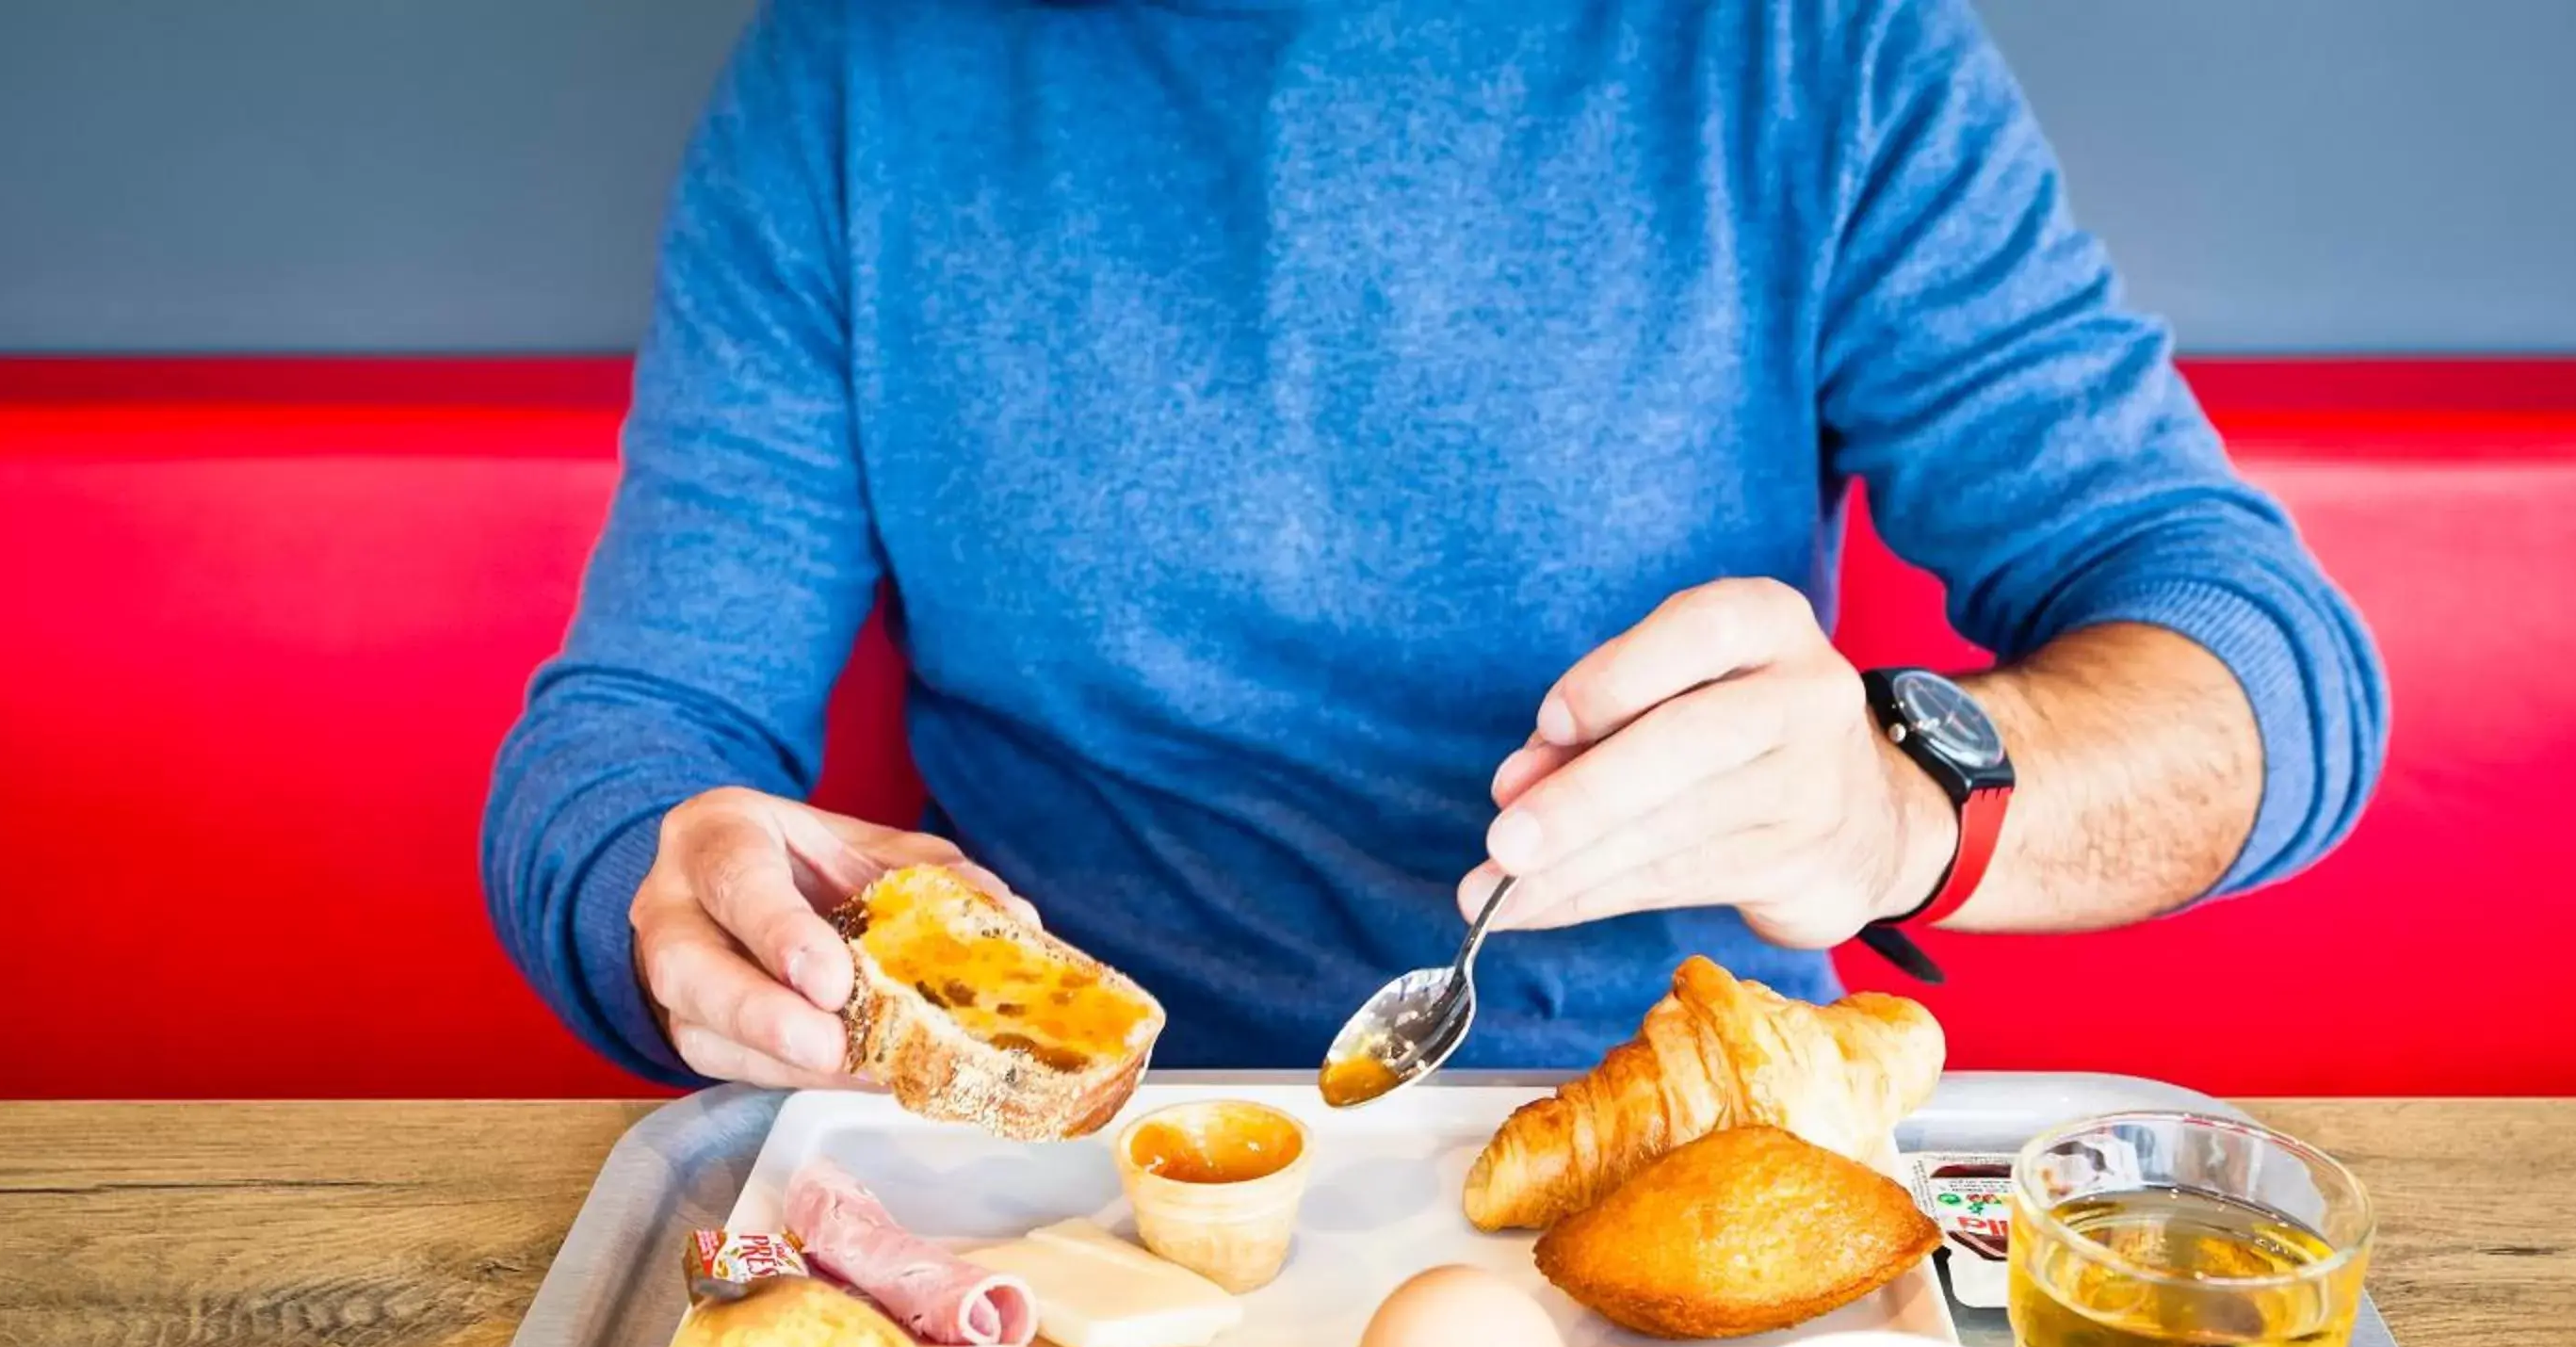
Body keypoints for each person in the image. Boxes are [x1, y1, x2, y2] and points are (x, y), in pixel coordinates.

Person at [485, 0, 2386, 1089]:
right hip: (1050, 1198)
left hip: (1671, 1156)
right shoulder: (850, 79)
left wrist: (1905, 803)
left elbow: (2267, 676)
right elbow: (632, 742)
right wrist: (661, 893)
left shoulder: (1815, 53)